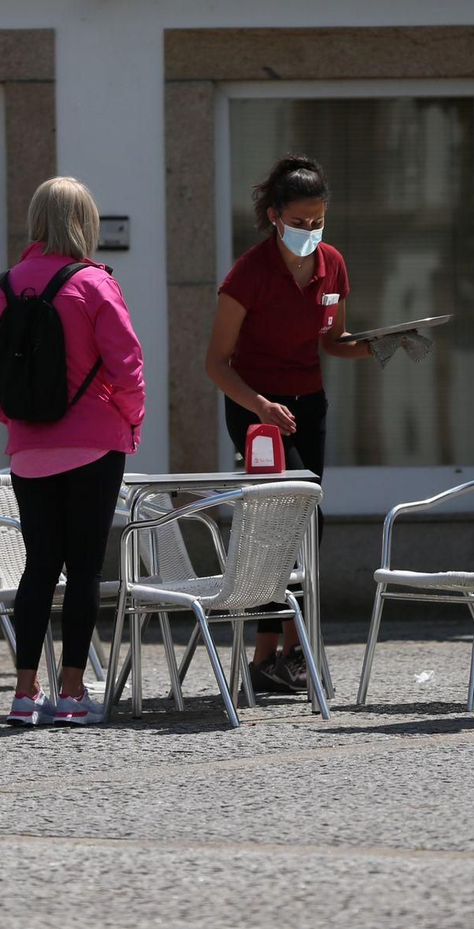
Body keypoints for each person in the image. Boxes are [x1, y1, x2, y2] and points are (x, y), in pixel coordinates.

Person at [0, 176, 144, 726]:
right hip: (95, 443)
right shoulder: (94, 285)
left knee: (39, 565)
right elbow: (127, 366)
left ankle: (24, 692)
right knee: (85, 567)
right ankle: (70, 693)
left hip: (29, 450)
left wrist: (20, 421)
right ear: (83, 223)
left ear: (35, 221)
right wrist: (128, 419)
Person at [204, 154, 374, 695]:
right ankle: (268, 652)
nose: (309, 230)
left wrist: (378, 347)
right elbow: (216, 363)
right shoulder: (249, 272)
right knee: (281, 521)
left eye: (317, 220)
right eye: (299, 221)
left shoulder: (333, 264)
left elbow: (331, 341)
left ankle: (286, 653)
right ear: (275, 216)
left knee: (308, 523)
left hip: (309, 405)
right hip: (256, 409)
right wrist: (259, 405)